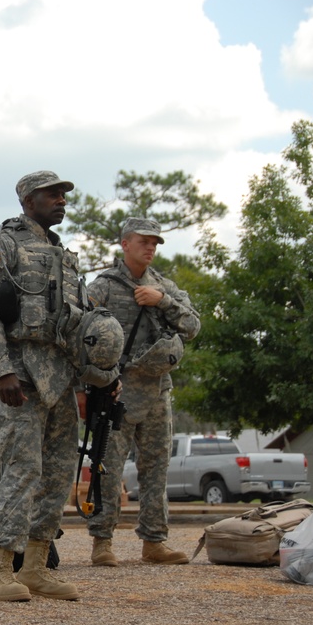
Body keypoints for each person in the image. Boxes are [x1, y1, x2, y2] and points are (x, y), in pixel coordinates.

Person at [0, 170, 86, 602]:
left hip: (60, 377)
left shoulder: (64, 253)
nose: (61, 200)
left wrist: (91, 378)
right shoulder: (3, 245)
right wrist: (1, 369)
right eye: (52, 194)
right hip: (21, 375)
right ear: (27, 199)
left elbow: (78, 319)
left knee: (58, 476)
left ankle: (37, 567)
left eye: (63, 194)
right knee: (21, 473)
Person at [85, 218, 200, 566]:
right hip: (116, 391)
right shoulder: (103, 285)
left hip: (157, 391)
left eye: (155, 243)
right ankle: (102, 541)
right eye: (144, 241)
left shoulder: (164, 286)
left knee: (156, 468)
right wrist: (87, 385)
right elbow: (80, 331)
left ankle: (154, 541)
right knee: (109, 467)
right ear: (125, 244)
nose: (150, 247)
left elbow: (193, 326)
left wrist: (162, 301)